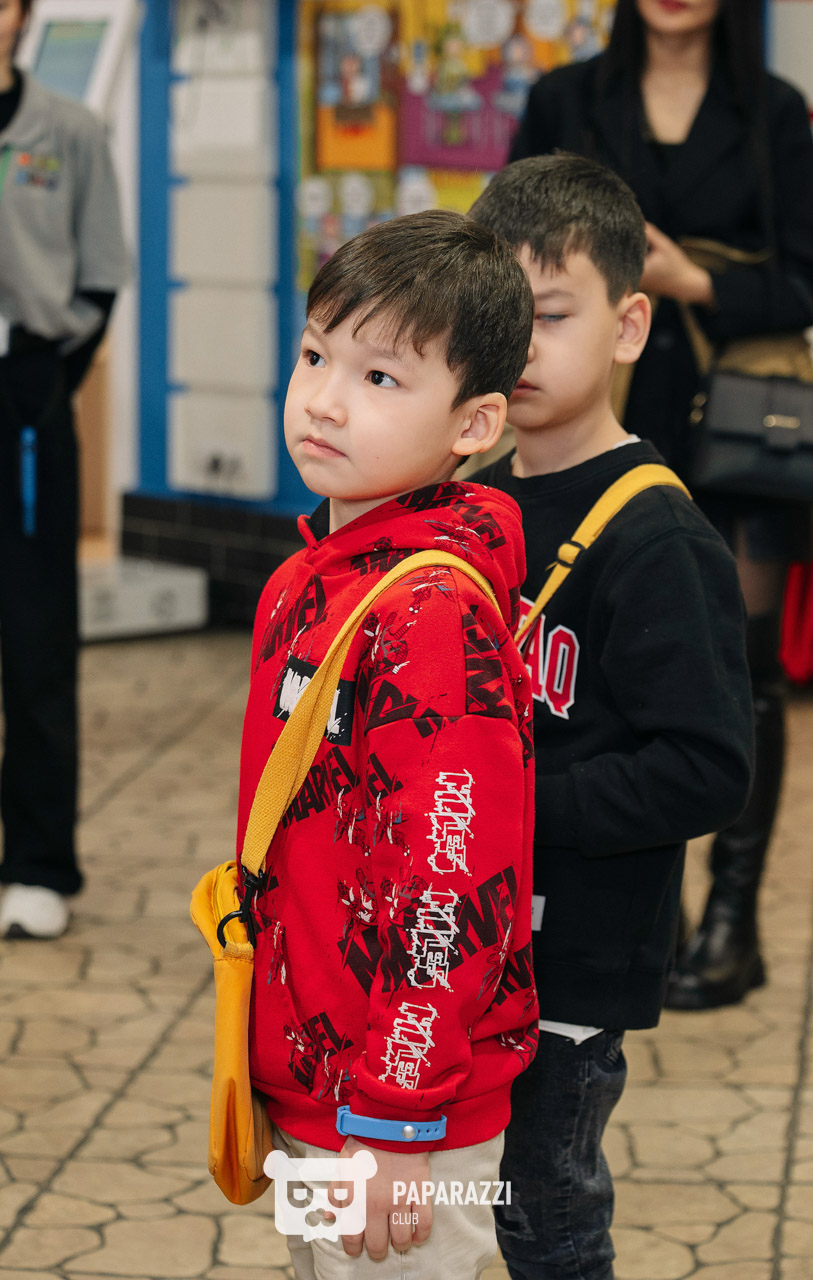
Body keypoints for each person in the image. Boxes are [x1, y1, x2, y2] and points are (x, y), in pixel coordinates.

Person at [235, 209, 538, 1279]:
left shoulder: (429, 614)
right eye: (315, 354)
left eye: (379, 378)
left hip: (401, 1109)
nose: (323, 398)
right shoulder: (315, 570)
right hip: (319, 1075)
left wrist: (396, 1121)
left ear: (475, 423)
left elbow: (449, 885)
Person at [468, 153, 753, 1280]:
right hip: (464, 939)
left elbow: (705, 767)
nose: (519, 346)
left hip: (573, 963)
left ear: (629, 325)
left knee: (544, 1216)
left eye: (549, 316)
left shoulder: (659, 536)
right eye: (499, 317)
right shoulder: (468, 502)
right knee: (449, 1199)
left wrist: (512, 804)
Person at [507, 0, 813, 1010]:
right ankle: (655, 906)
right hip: (600, 422)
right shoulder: (565, 99)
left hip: (738, 431)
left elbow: (803, 281)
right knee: (598, 666)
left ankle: (731, 918)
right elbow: (496, 263)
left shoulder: (774, 111)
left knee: (742, 674)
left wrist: (691, 281)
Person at [0, 0, 128, 938]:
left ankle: (36, 865)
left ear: (22, 16)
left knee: (35, 640)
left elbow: (99, 278)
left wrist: (40, 387)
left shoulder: (69, 131)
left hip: (25, 401)